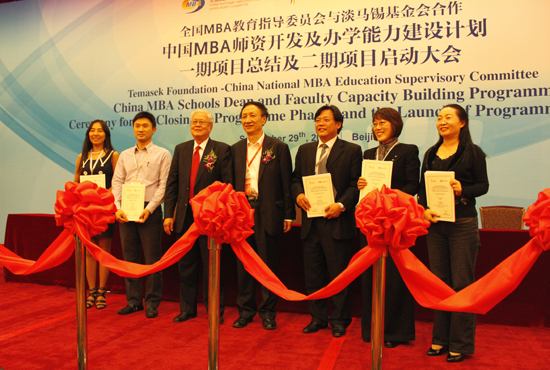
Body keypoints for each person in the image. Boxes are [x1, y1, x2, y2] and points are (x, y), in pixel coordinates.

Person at [418, 104, 489, 363]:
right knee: (439, 283)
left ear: (462, 123)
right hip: (436, 226)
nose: (442, 121)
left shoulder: (473, 152)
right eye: (439, 118)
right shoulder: (430, 153)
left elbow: (483, 185)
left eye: (448, 117)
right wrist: (423, 209)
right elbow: (422, 188)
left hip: (463, 225)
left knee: (461, 284)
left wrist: (463, 190)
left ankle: (459, 343)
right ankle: (440, 339)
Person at [291, 105, 362, 337]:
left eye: (325, 120)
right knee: (314, 274)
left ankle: (340, 319)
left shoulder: (352, 150)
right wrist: (298, 194)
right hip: (311, 223)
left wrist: (340, 206)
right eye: (317, 120)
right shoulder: (305, 150)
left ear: (338, 124)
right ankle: (318, 318)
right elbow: (295, 180)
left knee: (338, 274)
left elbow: (355, 185)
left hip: (337, 221)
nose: (320, 124)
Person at [357, 108, 420, 347]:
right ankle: (371, 329)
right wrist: (362, 183)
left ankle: (394, 332)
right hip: (371, 223)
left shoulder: (407, 150)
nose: (377, 127)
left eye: (382, 122)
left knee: (393, 278)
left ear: (395, 124)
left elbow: (413, 184)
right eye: (374, 123)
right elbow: (363, 187)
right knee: (370, 276)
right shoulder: (368, 153)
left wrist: (390, 198)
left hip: (395, 223)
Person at [163, 109, 233, 324]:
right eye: (194, 122)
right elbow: (172, 184)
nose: (197, 125)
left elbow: (228, 186)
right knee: (186, 266)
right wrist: (168, 215)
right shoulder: (181, 149)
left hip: (209, 220)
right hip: (184, 219)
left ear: (211, 126)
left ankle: (215, 311)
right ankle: (187, 309)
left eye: (202, 122)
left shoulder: (221, 150)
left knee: (211, 267)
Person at [231, 101, 295, 330]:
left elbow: (286, 182)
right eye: (244, 116)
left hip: (269, 212)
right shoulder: (235, 149)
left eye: (252, 115)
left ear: (264, 119)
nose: (247, 120)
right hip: (242, 213)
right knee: (244, 265)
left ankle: (268, 312)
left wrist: (289, 214)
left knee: (267, 264)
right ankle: (245, 310)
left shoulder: (277, 147)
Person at [112, 111, 171, 319]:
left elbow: (164, 185)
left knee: (152, 259)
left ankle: (152, 302)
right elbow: (117, 182)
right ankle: (134, 301)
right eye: (137, 126)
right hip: (126, 210)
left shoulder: (162, 154)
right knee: (130, 258)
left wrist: (150, 208)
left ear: (153, 129)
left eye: (145, 126)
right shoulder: (125, 155)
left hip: (149, 210)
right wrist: (117, 206)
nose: (141, 129)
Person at [73, 120, 119, 310]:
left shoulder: (113, 155)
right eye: (92, 131)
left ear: (106, 134)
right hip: (86, 211)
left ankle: (102, 291)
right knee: (89, 252)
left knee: (103, 251)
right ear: (88, 135)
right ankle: (91, 291)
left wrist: (102, 197)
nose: (96, 134)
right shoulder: (82, 156)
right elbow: (75, 182)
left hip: (104, 210)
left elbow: (117, 182)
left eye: (100, 131)